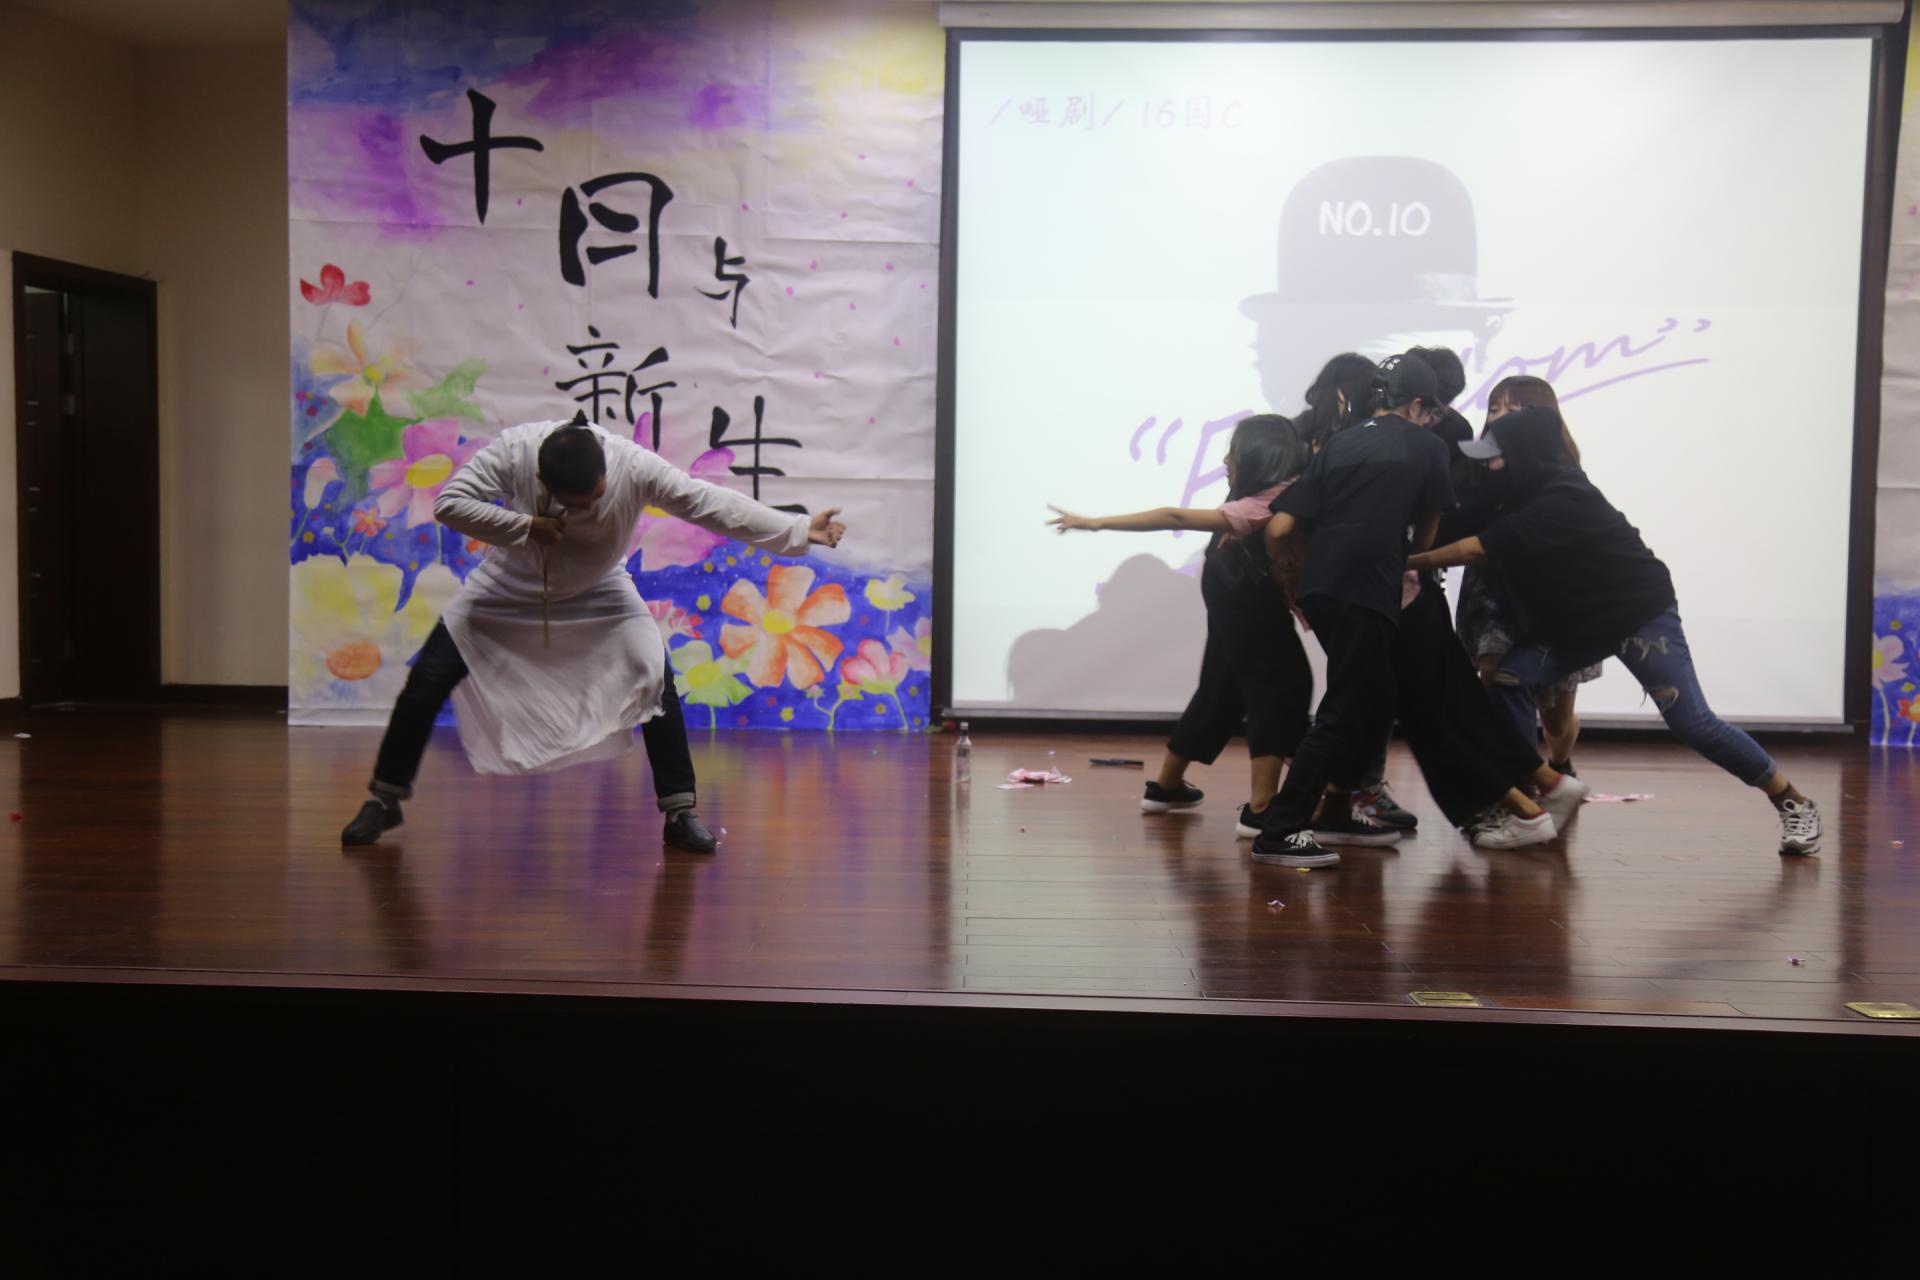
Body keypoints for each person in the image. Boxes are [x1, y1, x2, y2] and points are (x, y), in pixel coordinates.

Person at [340, 420, 847, 850]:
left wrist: (797, 530)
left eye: (595, 498)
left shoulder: (633, 465)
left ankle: (679, 811)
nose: (585, 509)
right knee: (428, 678)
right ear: (540, 478)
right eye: (572, 503)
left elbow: (706, 502)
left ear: (605, 470)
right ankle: (384, 799)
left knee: (654, 673)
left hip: (600, 587)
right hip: (507, 586)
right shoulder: (515, 451)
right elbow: (451, 503)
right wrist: (526, 527)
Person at [1409, 406, 1823, 855]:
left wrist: (1404, 563)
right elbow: (1457, 523)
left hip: (1637, 616)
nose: (1487, 465)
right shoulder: (1507, 490)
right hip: (1577, 626)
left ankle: (1793, 802)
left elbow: (1477, 549)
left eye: (1496, 456)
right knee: (1510, 679)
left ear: (1525, 454)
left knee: (1693, 722)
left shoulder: (1565, 497)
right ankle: (1536, 799)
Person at [1047, 415, 1315, 835]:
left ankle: (1166, 787)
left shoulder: (1275, 495)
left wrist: (1095, 522)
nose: (1225, 462)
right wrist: (1095, 523)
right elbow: (1174, 516)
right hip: (1244, 591)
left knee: (1223, 685)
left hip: (1230, 583)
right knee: (1281, 687)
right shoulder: (1267, 502)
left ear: (1261, 458)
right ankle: (1262, 808)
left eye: (1234, 453)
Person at [1452, 376, 1599, 774]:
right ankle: (1516, 782)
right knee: (1494, 677)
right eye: (1493, 408)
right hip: (1491, 592)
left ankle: (1560, 764)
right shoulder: (1476, 470)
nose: (1498, 417)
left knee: (1556, 720)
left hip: (1548, 599)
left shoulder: (1562, 476)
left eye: (1512, 409)